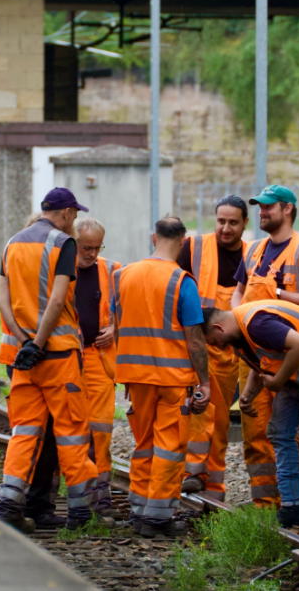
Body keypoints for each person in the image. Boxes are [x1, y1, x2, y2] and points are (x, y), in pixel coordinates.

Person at [0, 188, 100, 532]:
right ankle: (81, 513)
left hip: (25, 360)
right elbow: (56, 303)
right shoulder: (63, 244)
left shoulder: (12, 243)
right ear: (68, 212)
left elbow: (3, 303)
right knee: (70, 431)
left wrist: (25, 344)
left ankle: (9, 502)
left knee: (24, 432)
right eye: (74, 214)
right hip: (58, 356)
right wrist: (39, 343)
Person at [202, 300, 299, 528]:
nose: (218, 348)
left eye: (214, 342)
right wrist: (247, 396)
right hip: (298, 371)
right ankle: (293, 507)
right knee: (280, 434)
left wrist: (278, 380)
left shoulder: (256, 324)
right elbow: (260, 363)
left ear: (218, 328)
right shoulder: (241, 333)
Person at [230, 185, 299, 508]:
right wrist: (238, 315)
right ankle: (266, 504)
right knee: (256, 432)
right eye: (260, 207)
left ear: (287, 209)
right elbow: (239, 291)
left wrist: (279, 295)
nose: (262, 212)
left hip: (292, 358)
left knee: (297, 434)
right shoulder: (254, 250)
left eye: (269, 207)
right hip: (255, 356)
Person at [113, 216, 211, 537]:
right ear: (182, 243)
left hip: (135, 378)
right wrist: (205, 382)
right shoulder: (182, 282)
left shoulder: (123, 276)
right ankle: (158, 518)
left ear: (152, 238)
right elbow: (195, 338)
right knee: (169, 447)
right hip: (172, 379)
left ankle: (139, 512)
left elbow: (119, 326)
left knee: (144, 445)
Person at [176, 196, 249, 502]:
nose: (226, 228)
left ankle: (214, 490)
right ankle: (190, 475)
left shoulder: (253, 255)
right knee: (192, 415)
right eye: (221, 221)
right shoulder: (193, 247)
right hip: (192, 346)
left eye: (233, 222)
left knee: (218, 422)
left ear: (245, 223)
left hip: (228, 352)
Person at [74, 217, 122, 521]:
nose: (91, 253)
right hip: (68, 359)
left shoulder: (111, 270)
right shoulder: (60, 268)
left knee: (101, 430)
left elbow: (129, 306)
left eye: (96, 247)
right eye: (85, 247)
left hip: (99, 359)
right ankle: (76, 494)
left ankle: (101, 499)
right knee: (71, 429)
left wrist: (116, 327)